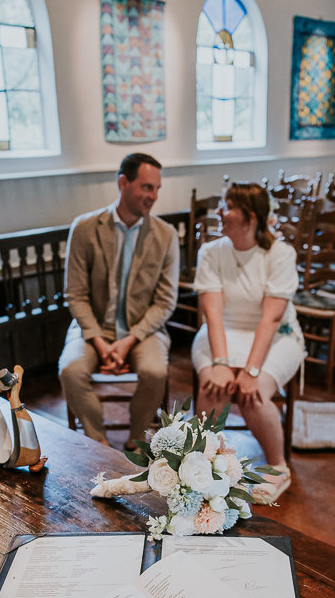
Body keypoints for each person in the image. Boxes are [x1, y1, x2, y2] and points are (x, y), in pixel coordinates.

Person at [192, 182, 305, 503]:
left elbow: (271, 319)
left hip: (276, 335)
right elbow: (212, 315)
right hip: (223, 331)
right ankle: (203, 464)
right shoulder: (211, 253)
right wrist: (221, 364)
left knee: (251, 392)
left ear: (250, 217)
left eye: (227, 206)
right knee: (213, 388)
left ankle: (278, 467)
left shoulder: (280, 254)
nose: (219, 212)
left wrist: (252, 370)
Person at [59, 153, 179, 447]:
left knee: (154, 371)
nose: (153, 196)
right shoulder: (85, 228)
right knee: (70, 371)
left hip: (143, 329)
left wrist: (127, 342)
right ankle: (97, 442)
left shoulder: (166, 235)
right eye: (147, 187)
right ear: (123, 182)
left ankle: (137, 439)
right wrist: (100, 341)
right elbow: (75, 294)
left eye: (157, 189)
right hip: (93, 326)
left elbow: (165, 301)